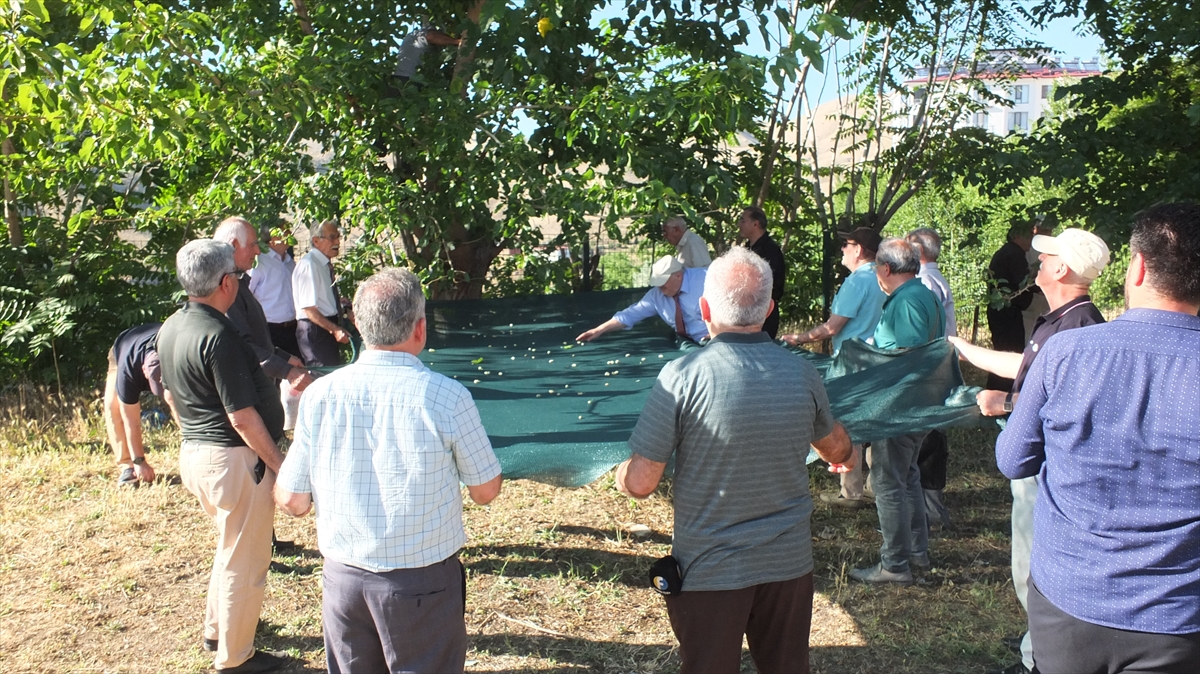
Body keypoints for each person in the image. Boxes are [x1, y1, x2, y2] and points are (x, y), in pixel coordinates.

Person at [615, 247, 853, 674]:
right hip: (788, 568)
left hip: (711, 569)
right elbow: (836, 449)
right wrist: (842, 449)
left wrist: (621, 476)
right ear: (769, 310)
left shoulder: (682, 376)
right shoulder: (802, 374)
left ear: (705, 309)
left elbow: (641, 482)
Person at [996, 203, 1200, 674]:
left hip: (1069, 596)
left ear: (1138, 267)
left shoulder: (1066, 352)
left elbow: (1012, 460)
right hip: (1177, 615)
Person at [275, 267, 503, 674]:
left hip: (343, 579)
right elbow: (486, 490)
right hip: (423, 582)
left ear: (358, 324)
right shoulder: (448, 397)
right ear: (421, 328)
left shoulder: (320, 396)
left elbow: (292, 500)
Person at [949, 227, 1110, 674]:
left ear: (1062, 268)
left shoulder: (1080, 326)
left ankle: (1037, 658)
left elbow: (1067, 400)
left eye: (1046, 256)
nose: (1037, 262)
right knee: (1027, 564)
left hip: (1047, 471)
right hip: (1037, 465)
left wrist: (1005, 402)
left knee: (1036, 568)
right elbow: (1027, 368)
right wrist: (963, 348)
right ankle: (1035, 650)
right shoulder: (1062, 318)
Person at [156, 240, 290, 674]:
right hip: (233, 461)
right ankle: (235, 659)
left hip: (197, 453)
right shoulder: (219, 335)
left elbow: (173, 394)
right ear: (226, 282)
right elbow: (243, 417)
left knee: (230, 548)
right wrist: (279, 466)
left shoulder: (172, 325)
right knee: (246, 562)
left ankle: (218, 631)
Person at [850, 238, 945, 586]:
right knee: (907, 478)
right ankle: (916, 553)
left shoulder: (907, 302)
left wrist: (867, 359)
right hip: (915, 405)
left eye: (877, 267)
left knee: (889, 483)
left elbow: (908, 355)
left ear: (885, 269)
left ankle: (894, 565)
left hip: (900, 406)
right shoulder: (920, 295)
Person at [781, 225, 885, 510]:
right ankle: (877, 486)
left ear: (859, 250)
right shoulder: (885, 276)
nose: (842, 249)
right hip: (880, 359)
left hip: (853, 362)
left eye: (846, 244)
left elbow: (833, 327)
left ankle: (851, 491)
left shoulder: (857, 281)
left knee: (849, 422)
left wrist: (798, 338)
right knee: (877, 421)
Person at [213, 217, 312, 393]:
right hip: (247, 390)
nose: (258, 251)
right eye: (252, 245)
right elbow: (242, 345)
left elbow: (253, 338)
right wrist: (287, 371)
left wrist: (283, 358)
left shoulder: (237, 281)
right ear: (234, 245)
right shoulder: (226, 287)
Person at [575, 256, 708, 343]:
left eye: (663, 282)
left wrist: (721, 333)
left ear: (678, 276)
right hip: (687, 341)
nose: (659, 287)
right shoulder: (657, 294)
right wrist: (599, 330)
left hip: (716, 340)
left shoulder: (706, 278)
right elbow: (631, 314)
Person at [103, 322, 163, 487]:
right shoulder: (128, 369)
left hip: (161, 345)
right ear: (144, 370)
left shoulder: (181, 356)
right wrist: (139, 461)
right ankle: (127, 465)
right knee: (112, 406)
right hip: (125, 347)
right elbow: (130, 419)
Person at [986, 221, 1036, 391]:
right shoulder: (1014, 254)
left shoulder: (1007, 252)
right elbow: (1022, 283)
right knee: (1009, 354)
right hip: (1007, 313)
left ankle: (999, 390)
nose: (1031, 240)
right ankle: (1003, 392)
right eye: (1028, 236)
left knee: (1004, 351)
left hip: (1003, 311)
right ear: (1017, 236)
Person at [292, 220, 350, 367]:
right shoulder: (309, 265)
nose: (337, 241)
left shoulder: (322, 264)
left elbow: (323, 300)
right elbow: (309, 309)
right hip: (316, 331)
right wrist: (336, 330)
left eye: (338, 236)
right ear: (316, 241)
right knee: (322, 377)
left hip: (324, 328)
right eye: (332, 237)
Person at [247, 226, 300, 359]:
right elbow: (247, 294)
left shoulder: (290, 262)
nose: (289, 233)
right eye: (284, 231)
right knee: (274, 373)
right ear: (272, 239)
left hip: (292, 327)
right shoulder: (260, 262)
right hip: (269, 329)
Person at [737, 206, 785, 338]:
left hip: (764, 314)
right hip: (744, 313)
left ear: (755, 223)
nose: (739, 224)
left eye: (743, 220)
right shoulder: (746, 249)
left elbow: (775, 287)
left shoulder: (771, 251)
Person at [907, 227, 957, 337]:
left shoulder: (925, 280)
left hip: (935, 349)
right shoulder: (933, 276)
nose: (905, 253)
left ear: (919, 250)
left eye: (908, 247)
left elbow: (924, 320)